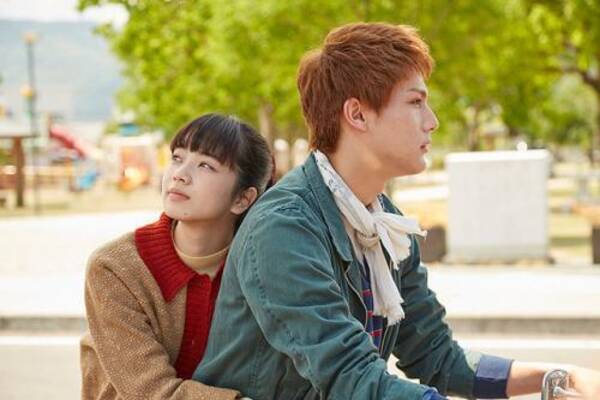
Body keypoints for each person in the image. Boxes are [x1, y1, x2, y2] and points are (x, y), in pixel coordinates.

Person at [193, 23, 600, 399]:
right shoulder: (283, 227)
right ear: (357, 114)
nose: (432, 121)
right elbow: (350, 378)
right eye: (415, 102)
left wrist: (557, 376)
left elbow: (437, 357)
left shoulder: (384, 224)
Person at [80, 113, 273, 399]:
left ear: (242, 199)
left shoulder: (263, 267)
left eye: (206, 165)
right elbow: (150, 392)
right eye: (177, 158)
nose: (179, 174)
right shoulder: (115, 267)